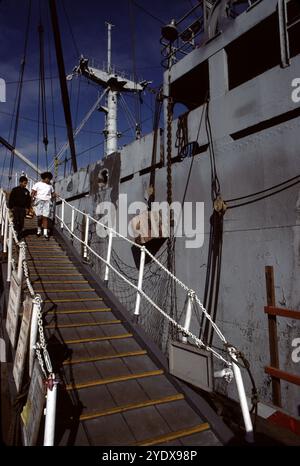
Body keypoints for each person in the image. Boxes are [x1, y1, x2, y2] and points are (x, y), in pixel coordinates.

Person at [31, 171, 56, 240]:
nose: (48, 180)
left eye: (49, 179)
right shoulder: (37, 184)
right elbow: (33, 192)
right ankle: (39, 230)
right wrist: (32, 200)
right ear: (44, 178)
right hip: (39, 201)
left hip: (47, 202)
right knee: (39, 217)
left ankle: (45, 233)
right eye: (47, 178)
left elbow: (53, 193)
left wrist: (55, 195)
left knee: (45, 217)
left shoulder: (50, 186)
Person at [8, 176, 31, 240]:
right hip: (15, 207)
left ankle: (19, 232)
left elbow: (28, 201)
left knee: (21, 221)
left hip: (23, 209)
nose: (25, 184)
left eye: (26, 183)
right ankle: (15, 232)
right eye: (24, 183)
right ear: (20, 182)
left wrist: (28, 208)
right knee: (16, 220)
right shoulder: (15, 190)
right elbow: (11, 199)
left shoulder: (27, 191)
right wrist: (11, 207)